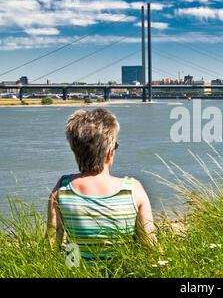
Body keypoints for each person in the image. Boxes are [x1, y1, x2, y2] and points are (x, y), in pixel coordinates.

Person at [46, 108, 156, 263]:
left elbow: (52, 244)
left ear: (74, 151)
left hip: (76, 272)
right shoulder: (132, 189)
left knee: (71, 248)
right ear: (110, 152)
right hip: (122, 271)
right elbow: (149, 245)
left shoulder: (63, 188)